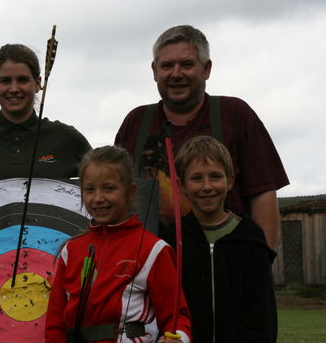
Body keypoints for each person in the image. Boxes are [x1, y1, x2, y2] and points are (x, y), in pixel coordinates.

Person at [115, 25, 288, 249]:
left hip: (226, 263)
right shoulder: (136, 122)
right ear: (154, 71)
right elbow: (116, 195)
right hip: (148, 270)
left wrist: (263, 262)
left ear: (206, 69)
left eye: (187, 64)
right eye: (167, 65)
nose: (176, 74)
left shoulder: (235, 114)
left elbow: (263, 193)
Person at [45, 146, 191, 343]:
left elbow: (175, 315)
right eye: (90, 189)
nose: (98, 198)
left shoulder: (154, 249)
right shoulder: (71, 250)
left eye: (109, 188)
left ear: (130, 192)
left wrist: (178, 340)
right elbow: (55, 324)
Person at [160, 135, 277, 343]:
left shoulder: (251, 239)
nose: (207, 187)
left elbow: (262, 320)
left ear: (230, 181)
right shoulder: (171, 241)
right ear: (181, 185)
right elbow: (167, 314)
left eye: (215, 176)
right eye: (196, 178)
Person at [0, 43, 91, 179]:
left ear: (38, 83)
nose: (14, 89)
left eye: (22, 80)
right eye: (6, 81)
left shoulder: (66, 138)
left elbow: (104, 180)